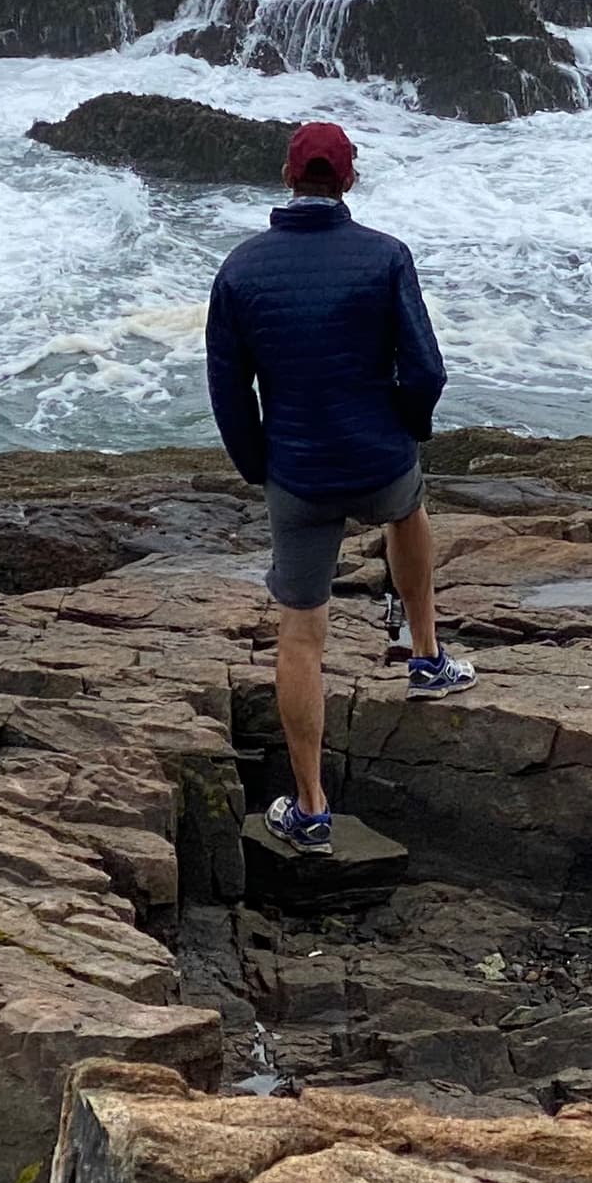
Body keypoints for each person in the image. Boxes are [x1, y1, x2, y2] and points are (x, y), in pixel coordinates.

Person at [204, 117, 470, 855]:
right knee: (408, 511)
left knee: (301, 631)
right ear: (348, 179)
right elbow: (426, 370)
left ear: (288, 178)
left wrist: (258, 464)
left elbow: (229, 391)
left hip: (298, 474)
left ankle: (311, 808)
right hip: (380, 460)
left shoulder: (241, 270)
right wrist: (406, 428)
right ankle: (426, 656)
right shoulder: (384, 256)